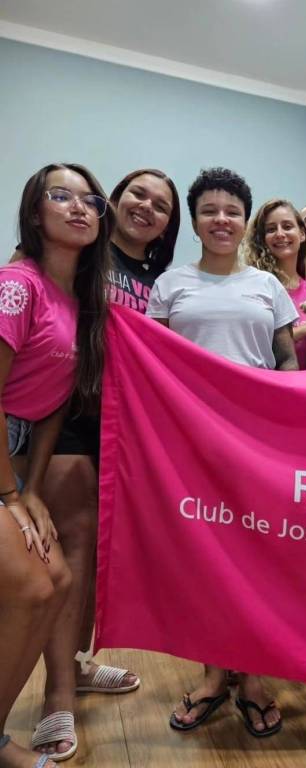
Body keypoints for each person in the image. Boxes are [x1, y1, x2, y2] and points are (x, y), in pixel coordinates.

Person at [24, 168, 180, 761]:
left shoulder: (164, 280)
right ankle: (56, 695)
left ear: (169, 225)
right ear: (111, 200)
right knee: (71, 549)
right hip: (69, 419)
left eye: (161, 205)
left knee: (97, 554)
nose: (147, 207)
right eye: (138, 194)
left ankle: (78, 664)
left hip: (133, 430)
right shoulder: (82, 256)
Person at [147, 167, 298, 737]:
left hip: (257, 439)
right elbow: (150, 359)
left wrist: (286, 409)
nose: (221, 220)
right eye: (209, 210)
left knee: (258, 555)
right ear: (194, 220)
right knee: (205, 558)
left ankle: (253, 678)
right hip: (189, 440)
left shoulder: (267, 285)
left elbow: (286, 358)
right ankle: (213, 676)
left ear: (245, 220)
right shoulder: (171, 284)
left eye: (232, 211)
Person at [0, 162, 113, 768]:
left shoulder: (78, 302)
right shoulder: (17, 286)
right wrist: (11, 496)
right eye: (61, 195)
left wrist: (33, 489)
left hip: (22, 452)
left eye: (90, 200)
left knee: (57, 581)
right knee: (31, 582)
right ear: (34, 211)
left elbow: (50, 408)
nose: (79, 207)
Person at [246, 199, 306, 369]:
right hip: (264, 381)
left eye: (287, 226)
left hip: (305, 383)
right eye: (271, 229)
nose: (280, 234)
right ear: (262, 239)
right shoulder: (253, 287)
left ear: (302, 234)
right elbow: (256, 344)